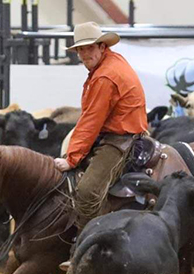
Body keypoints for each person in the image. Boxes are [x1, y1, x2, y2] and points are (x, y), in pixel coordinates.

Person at [54, 21, 148, 231]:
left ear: (102, 47)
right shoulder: (110, 63)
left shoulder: (105, 76)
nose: (85, 54)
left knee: (87, 192)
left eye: (89, 48)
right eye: (80, 49)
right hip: (119, 132)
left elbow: (91, 120)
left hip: (121, 139)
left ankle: (89, 246)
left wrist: (72, 158)